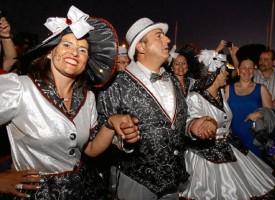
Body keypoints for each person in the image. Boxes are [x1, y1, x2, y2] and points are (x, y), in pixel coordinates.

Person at [0, 6, 139, 199]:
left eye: (82, 49)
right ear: (49, 52)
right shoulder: (19, 88)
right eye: (66, 45)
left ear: (86, 61)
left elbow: (89, 150)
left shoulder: (86, 97)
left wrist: (111, 123)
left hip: (78, 191)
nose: (74, 53)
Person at [97, 17, 216, 200]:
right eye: (159, 36)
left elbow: (174, 122)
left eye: (165, 36)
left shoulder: (174, 81)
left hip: (172, 180)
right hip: (136, 181)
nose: (167, 40)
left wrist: (192, 125)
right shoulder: (116, 85)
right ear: (141, 47)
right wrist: (123, 139)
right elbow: (99, 132)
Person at [180, 49, 275, 199]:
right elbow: (191, 120)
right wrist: (197, 125)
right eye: (223, 71)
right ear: (213, 75)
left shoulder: (220, 93)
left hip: (230, 146)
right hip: (206, 159)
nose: (227, 73)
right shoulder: (196, 97)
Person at [225, 57, 272, 158]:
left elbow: (271, 114)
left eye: (250, 68)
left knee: (255, 169)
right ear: (238, 70)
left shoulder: (261, 88)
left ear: (254, 71)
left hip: (254, 138)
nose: (247, 71)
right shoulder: (229, 88)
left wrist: (260, 114)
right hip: (233, 137)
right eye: (243, 68)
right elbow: (221, 112)